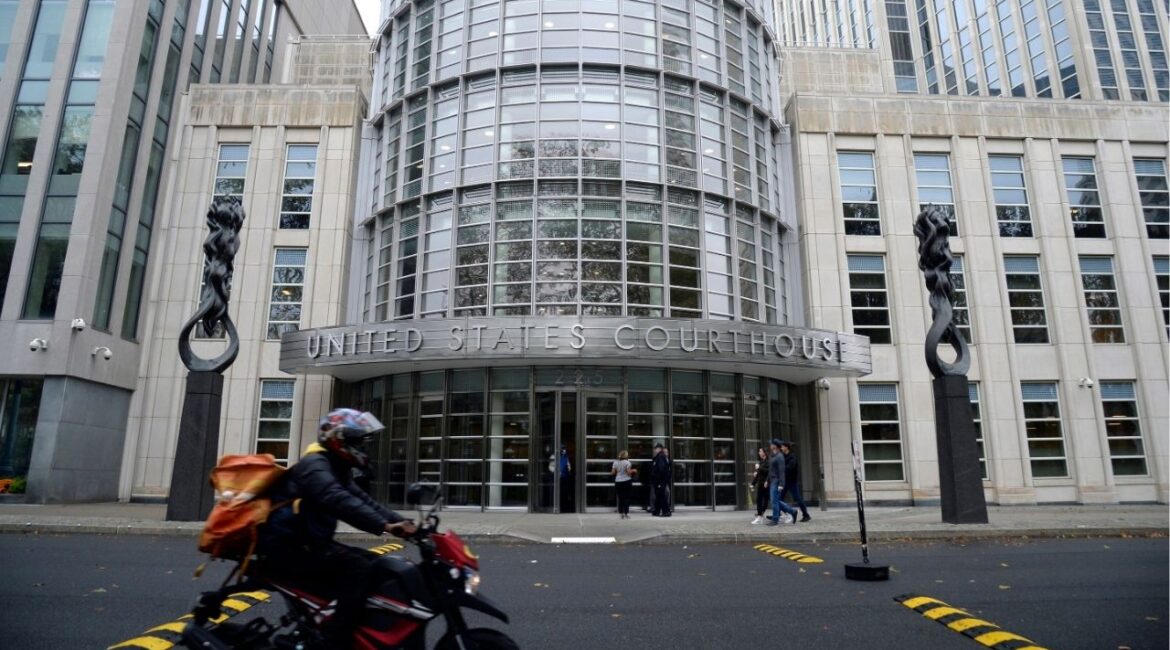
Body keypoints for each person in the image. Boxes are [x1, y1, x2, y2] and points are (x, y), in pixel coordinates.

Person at [257, 408, 417, 647]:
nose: (362, 447)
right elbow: (338, 500)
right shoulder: (314, 466)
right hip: (287, 546)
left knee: (376, 563)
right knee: (359, 569)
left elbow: (364, 501)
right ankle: (334, 639)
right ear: (337, 440)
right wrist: (385, 526)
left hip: (309, 542)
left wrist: (406, 523)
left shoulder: (335, 467)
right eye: (356, 441)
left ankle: (350, 622)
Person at [766, 438, 798, 526]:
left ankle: (775, 519)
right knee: (775, 500)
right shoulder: (773, 455)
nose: (770, 445)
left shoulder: (779, 457)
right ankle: (792, 511)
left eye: (771, 444)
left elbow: (782, 471)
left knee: (774, 501)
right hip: (772, 480)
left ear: (775, 446)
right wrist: (767, 480)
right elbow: (771, 470)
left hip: (776, 481)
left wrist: (781, 484)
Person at [779, 441, 812, 522]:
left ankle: (806, 515)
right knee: (779, 498)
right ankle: (780, 514)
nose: (781, 448)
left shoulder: (792, 456)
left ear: (787, 447)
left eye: (783, 446)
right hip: (785, 481)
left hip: (792, 481)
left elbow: (790, 467)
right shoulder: (783, 456)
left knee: (797, 498)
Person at [650, 443, 672, 517]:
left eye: (656, 448)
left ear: (659, 449)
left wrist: (658, 480)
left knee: (661, 496)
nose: (655, 450)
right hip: (660, 480)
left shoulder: (660, 457)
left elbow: (661, 469)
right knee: (659, 496)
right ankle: (657, 511)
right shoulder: (659, 457)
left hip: (660, 480)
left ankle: (666, 511)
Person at [749, 446, 771, 525]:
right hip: (761, 484)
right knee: (759, 500)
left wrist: (759, 468)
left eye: (760, 451)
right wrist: (753, 484)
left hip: (766, 484)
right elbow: (758, 474)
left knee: (767, 501)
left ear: (764, 453)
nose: (759, 453)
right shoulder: (761, 461)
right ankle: (759, 516)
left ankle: (787, 512)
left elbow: (767, 472)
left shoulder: (768, 461)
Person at [611, 450, 635, 519]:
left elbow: (612, 473)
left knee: (620, 498)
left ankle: (621, 513)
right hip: (626, 481)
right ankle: (626, 513)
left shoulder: (615, 462)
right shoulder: (628, 463)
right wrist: (633, 470)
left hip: (618, 481)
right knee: (627, 498)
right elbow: (628, 472)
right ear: (626, 456)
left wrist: (618, 472)